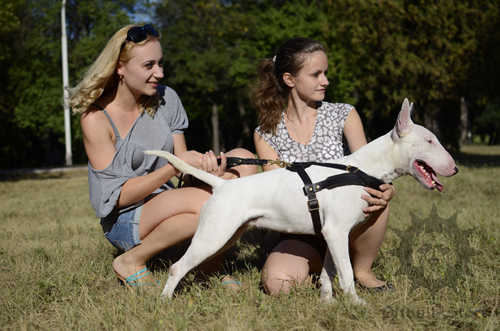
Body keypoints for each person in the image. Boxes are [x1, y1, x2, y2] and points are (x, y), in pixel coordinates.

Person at [68, 24, 256, 291]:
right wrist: (173, 167)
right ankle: (132, 260)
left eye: (160, 63)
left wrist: (203, 170)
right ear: (120, 68)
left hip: (169, 199)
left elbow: (182, 168)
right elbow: (116, 196)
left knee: (244, 165)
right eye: (149, 66)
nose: (160, 73)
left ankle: (206, 264)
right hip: (126, 216)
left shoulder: (166, 98)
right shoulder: (96, 119)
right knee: (213, 201)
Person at [252, 37, 396, 295]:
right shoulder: (265, 133)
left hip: (351, 221)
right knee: (276, 284)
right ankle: (323, 269)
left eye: (325, 73)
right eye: (316, 74)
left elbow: (369, 172)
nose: (325, 81)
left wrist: (388, 190)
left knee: (375, 196)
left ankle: (361, 269)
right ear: (289, 79)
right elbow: (277, 197)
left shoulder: (344, 114)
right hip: (302, 229)